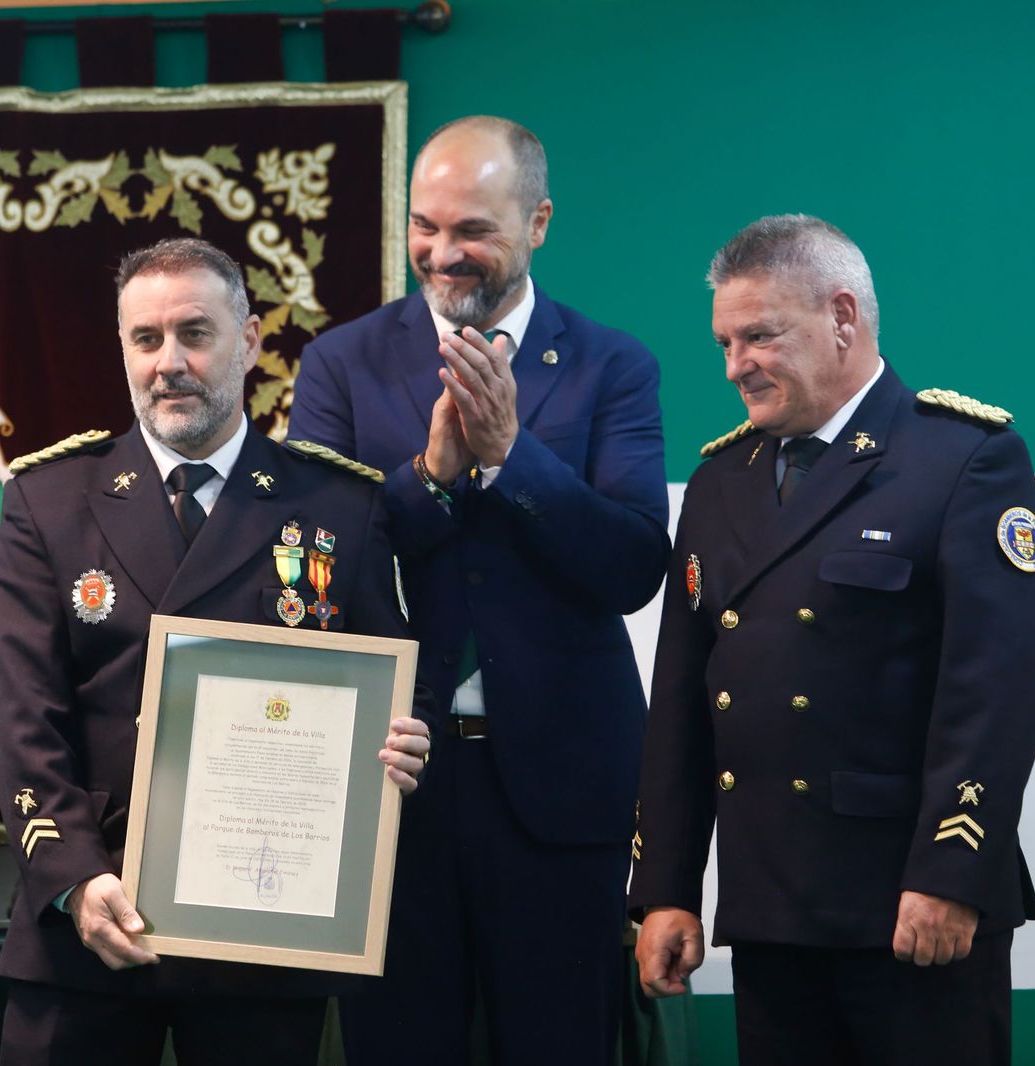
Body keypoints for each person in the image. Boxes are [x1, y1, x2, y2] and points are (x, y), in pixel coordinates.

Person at [0, 237, 432, 1066]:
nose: (169, 364)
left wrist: (410, 741)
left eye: (196, 333)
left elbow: (397, 688)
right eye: (145, 340)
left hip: (262, 937)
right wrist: (77, 880)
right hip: (88, 916)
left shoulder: (339, 503)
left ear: (252, 340)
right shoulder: (49, 501)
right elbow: (21, 718)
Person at [629, 214, 1035, 1065]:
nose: (734, 365)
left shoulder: (960, 459)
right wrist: (666, 889)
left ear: (843, 318)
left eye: (759, 336)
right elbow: (681, 702)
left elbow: (995, 694)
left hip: (910, 906)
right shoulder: (719, 482)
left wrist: (948, 873)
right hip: (770, 907)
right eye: (724, 342)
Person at [289, 116, 670, 1063]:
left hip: (561, 787)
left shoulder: (613, 366)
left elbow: (631, 568)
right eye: (425, 226)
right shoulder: (342, 363)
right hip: (391, 782)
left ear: (538, 221)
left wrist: (511, 457)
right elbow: (313, 569)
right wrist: (427, 473)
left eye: (473, 230)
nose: (442, 252)